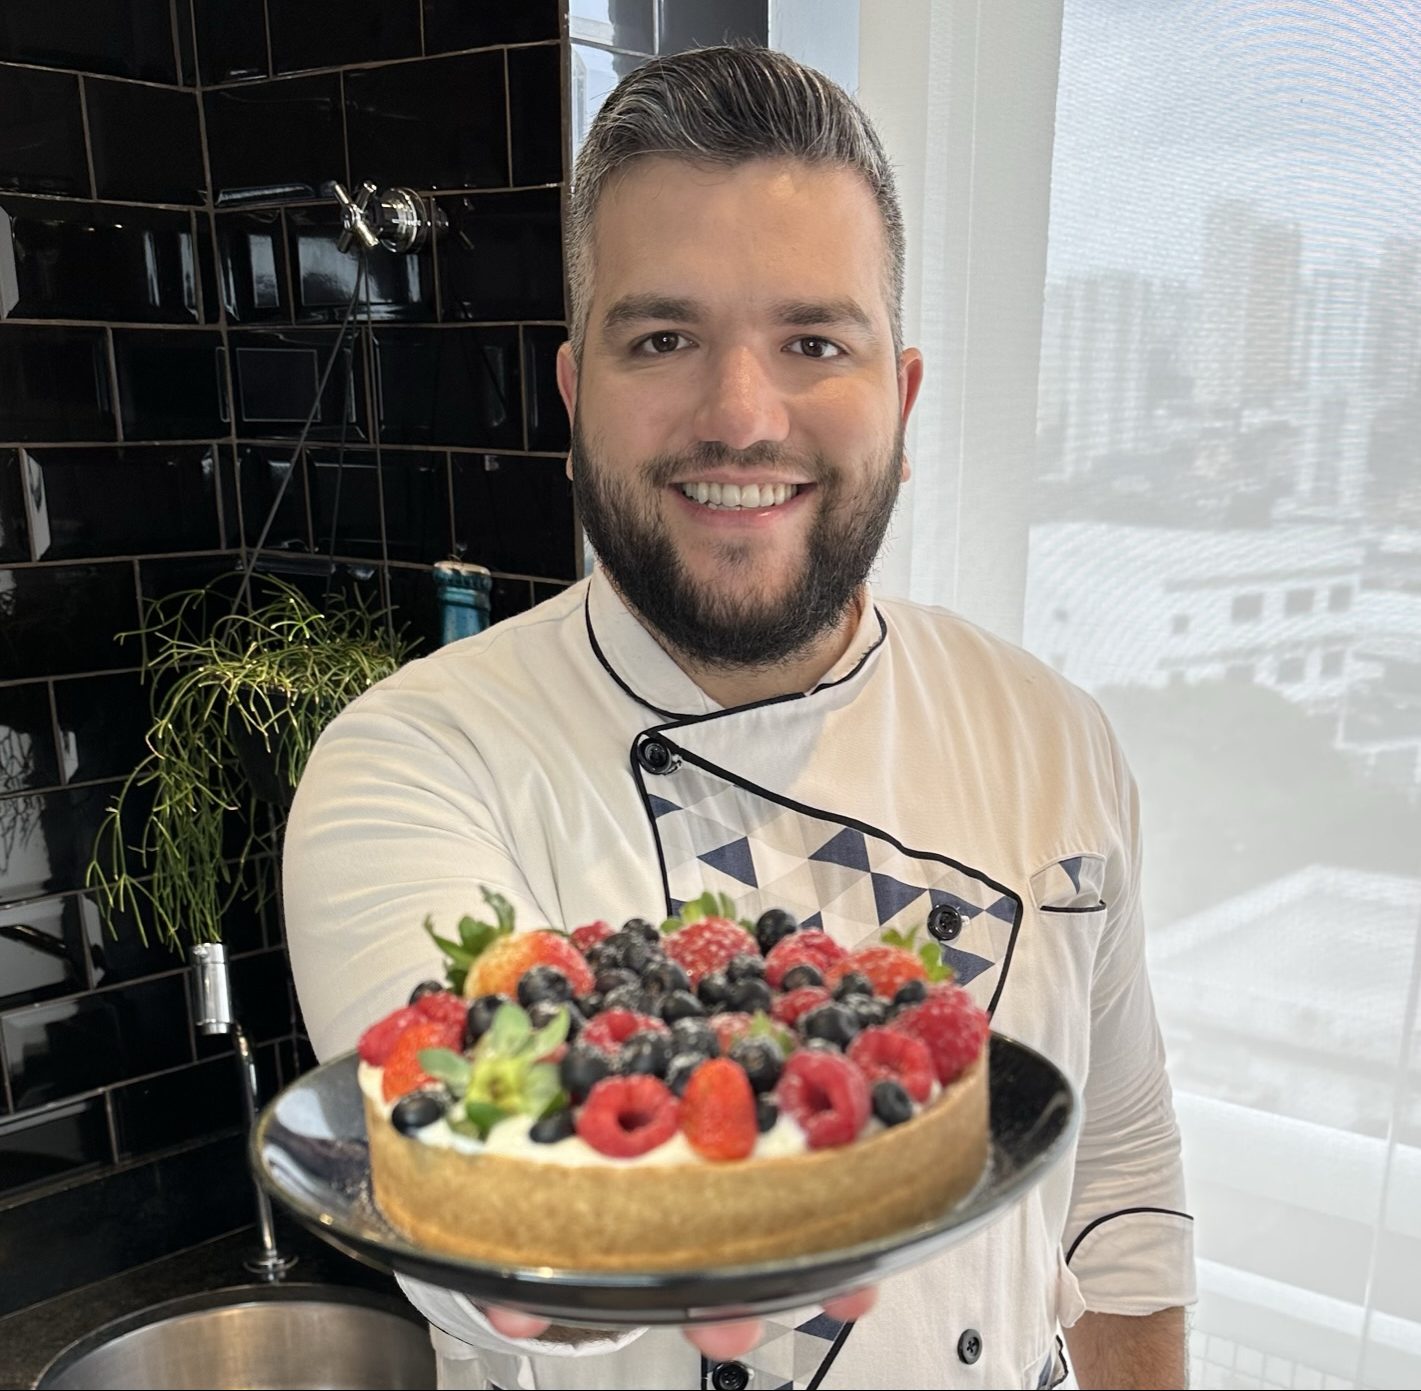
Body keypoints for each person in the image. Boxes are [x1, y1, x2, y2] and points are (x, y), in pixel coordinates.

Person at [283, 44, 1196, 1390]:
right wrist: (553, 1250)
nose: (740, 416)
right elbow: (478, 1201)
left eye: (813, 342)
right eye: (662, 339)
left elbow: (1117, 1197)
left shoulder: (1052, 734)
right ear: (575, 396)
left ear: (900, 401)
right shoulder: (414, 762)